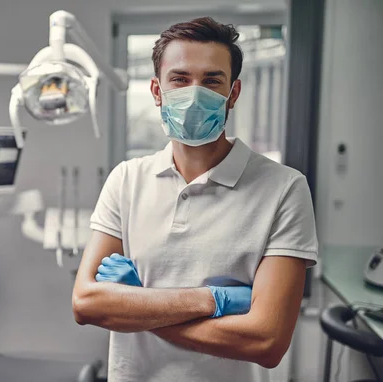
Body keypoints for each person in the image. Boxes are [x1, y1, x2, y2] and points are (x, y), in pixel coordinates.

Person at [72, 17, 318, 382]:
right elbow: (86, 304)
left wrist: (138, 305)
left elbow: (267, 342)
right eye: (180, 79)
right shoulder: (126, 179)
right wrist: (212, 300)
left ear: (232, 94)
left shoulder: (284, 188)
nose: (195, 93)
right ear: (157, 91)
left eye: (212, 80)